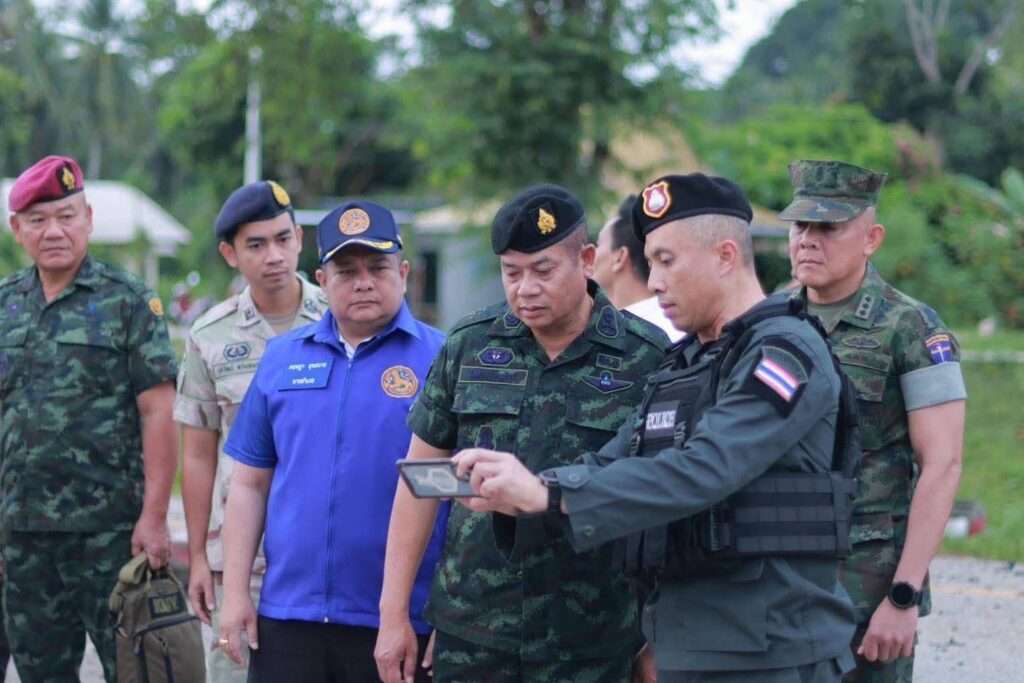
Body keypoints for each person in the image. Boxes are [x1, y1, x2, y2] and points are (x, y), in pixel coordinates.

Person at [453, 173, 859, 682]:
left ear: (725, 256)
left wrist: (549, 494)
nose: (654, 282)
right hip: (690, 647)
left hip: (772, 653)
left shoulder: (784, 353)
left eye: (667, 260)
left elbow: (706, 467)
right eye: (651, 262)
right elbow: (613, 461)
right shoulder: (685, 363)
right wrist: (519, 490)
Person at [375, 184, 669, 683]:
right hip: (474, 631)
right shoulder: (470, 345)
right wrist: (393, 613)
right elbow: (418, 482)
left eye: (543, 271)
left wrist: (653, 635)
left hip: (593, 635)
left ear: (587, 261)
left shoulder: (645, 356)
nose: (525, 289)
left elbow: (662, 496)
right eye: (511, 273)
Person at [216, 200, 447, 682]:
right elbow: (250, 484)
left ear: (404, 273)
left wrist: (450, 608)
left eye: (377, 268)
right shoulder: (282, 358)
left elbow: (461, 495)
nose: (363, 282)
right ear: (322, 280)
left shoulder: (442, 358)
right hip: (289, 616)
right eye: (346, 271)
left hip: (400, 620)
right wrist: (235, 595)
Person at [779, 160, 967, 682]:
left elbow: (943, 464)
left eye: (828, 228)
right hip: (777, 582)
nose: (808, 240)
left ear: (871, 239)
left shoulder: (911, 327)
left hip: (865, 588)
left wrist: (903, 597)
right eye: (800, 225)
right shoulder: (770, 319)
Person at [0, 155, 178, 682]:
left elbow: (159, 411)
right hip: (24, 535)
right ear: (17, 229)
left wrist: (154, 517)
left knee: (135, 670)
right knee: (40, 673)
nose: (54, 231)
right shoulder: (5, 305)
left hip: (111, 534)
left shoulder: (128, 301)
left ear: (89, 219)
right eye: (38, 220)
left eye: (67, 216)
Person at [174, 180, 328, 682]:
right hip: (241, 561)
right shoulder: (209, 336)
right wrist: (200, 557)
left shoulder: (340, 317)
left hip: (323, 552)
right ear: (230, 254)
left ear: (299, 239)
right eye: (256, 245)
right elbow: (198, 453)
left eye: (283, 239)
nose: (274, 256)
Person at [593, 194, 683, 342]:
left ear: (620, 257)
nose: (591, 257)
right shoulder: (611, 325)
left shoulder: (663, 332)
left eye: (598, 245)